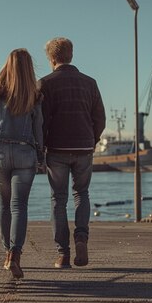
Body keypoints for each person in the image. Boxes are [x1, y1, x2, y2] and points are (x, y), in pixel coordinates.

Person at [0, 48, 43, 279]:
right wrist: (41, 156)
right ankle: (15, 254)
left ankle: (7, 254)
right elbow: (39, 129)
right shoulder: (34, 95)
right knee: (19, 206)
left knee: (4, 205)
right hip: (26, 153)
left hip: (0, 153)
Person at [38, 37, 106, 268]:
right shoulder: (90, 83)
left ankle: (63, 254)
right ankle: (81, 237)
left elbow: (41, 121)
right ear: (71, 55)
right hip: (84, 148)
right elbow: (100, 118)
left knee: (58, 199)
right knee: (81, 194)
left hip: (56, 149)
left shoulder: (45, 83)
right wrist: (93, 139)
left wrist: (42, 146)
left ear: (51, 59)